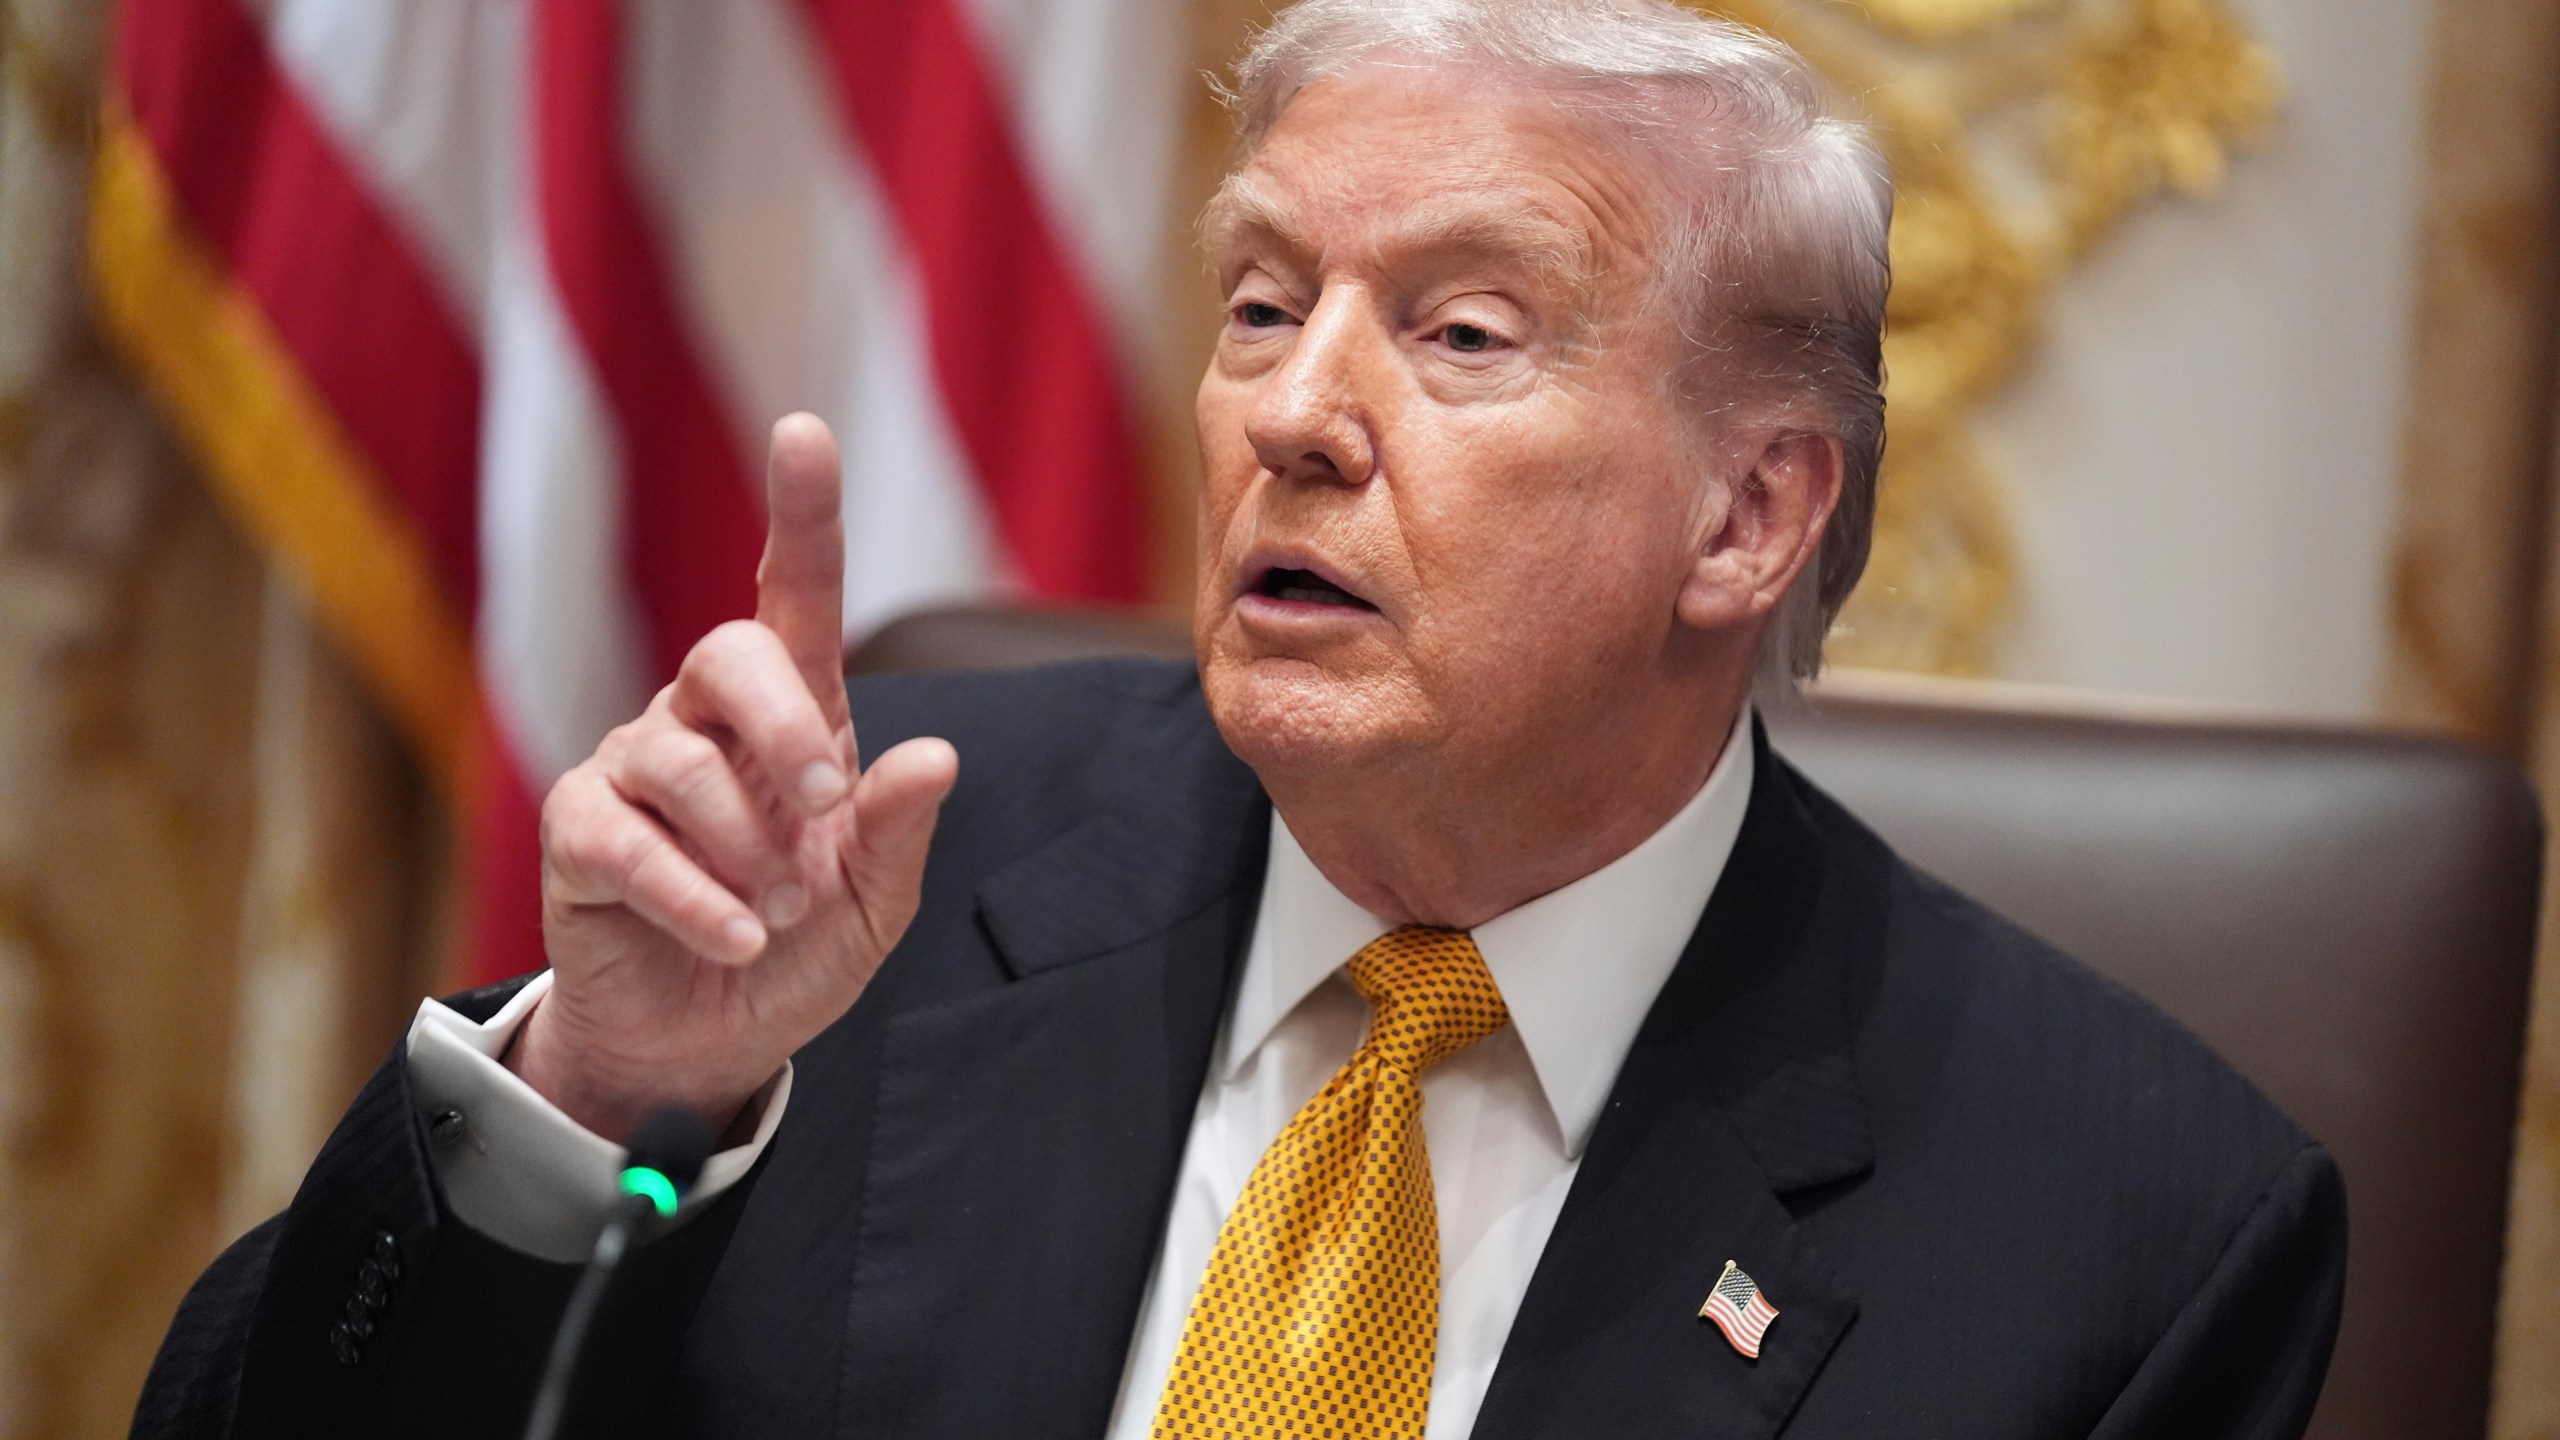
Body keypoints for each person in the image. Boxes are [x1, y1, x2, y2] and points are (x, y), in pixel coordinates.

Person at [135, 1, 2345, 1436]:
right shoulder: (852, 892)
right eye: (1263, 301)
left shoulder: (2130, 1234)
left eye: (1459, 332)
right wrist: (603, 1093)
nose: (1290, 410)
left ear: (1747, 514)